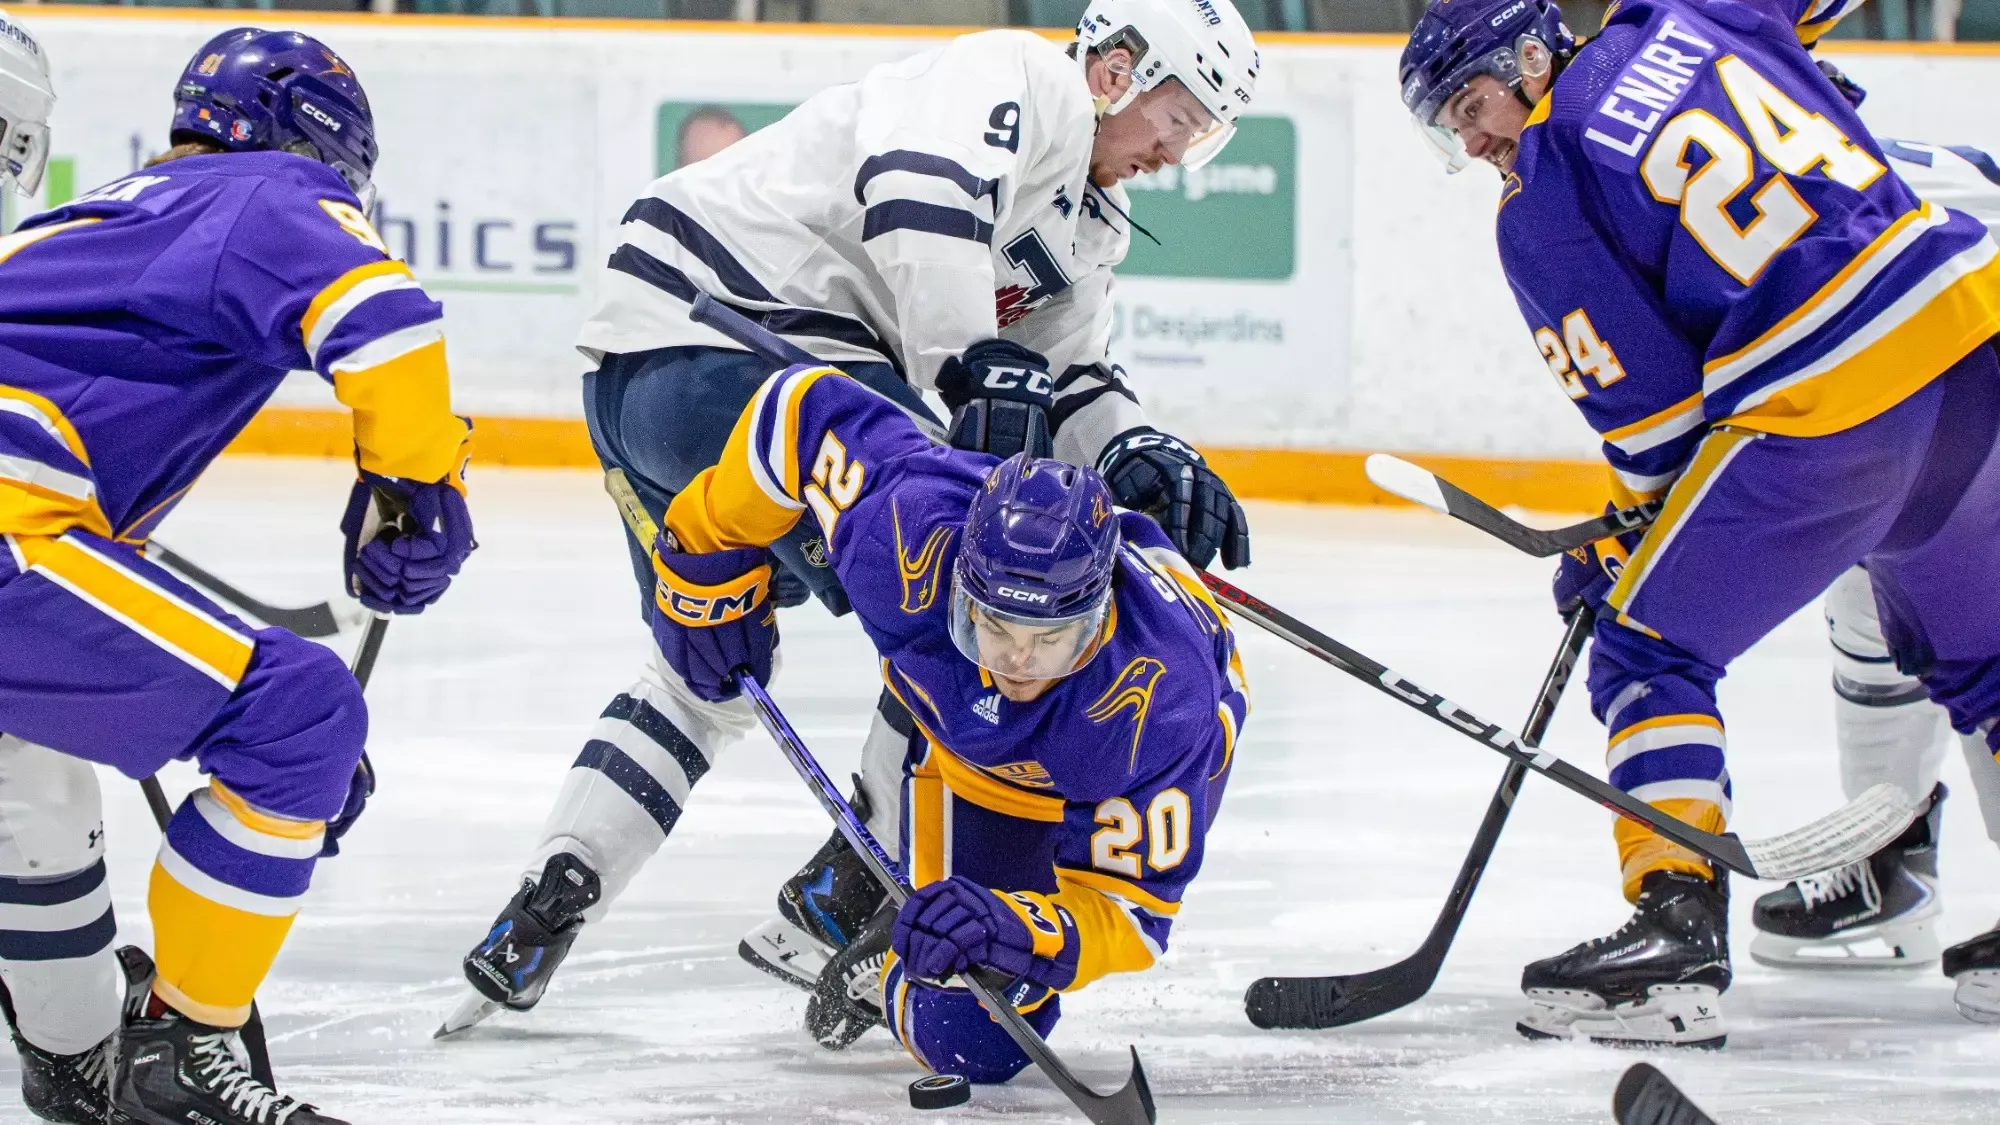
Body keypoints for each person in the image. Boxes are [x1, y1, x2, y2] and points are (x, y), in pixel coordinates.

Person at [446, 0, 1259, 1038]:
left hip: (651, 396)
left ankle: (549, 896)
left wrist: (1133, 446)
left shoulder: (1086, 223)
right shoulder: (1021, 80)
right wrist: (973, 362)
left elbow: (1068, 374)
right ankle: (848, 895)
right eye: (1179, 120)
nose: (1174, 154)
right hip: (734, 345)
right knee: (972, 594)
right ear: (1117, 69)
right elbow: (922, 204)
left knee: (710, 665)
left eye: (1200, 136)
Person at [1398, 0, 2000, 1048]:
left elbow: (1660, 426)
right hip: (1967, 350)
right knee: (1986, 666)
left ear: (1528, 57)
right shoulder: (1691, 10)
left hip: (1832, 407)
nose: (1471, 140)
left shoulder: (1543, 189)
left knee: (1644, 648)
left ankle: (1671, 932)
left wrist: (1633, 542)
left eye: (1468, 103)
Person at [0, 27, 474, 1124]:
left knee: (32, 780)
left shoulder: (90, 222)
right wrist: (416, 492)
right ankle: (181, 1057)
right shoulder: (268, 192)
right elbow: (385, 324)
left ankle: (80, 1056)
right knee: (298, 713)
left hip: (30, 533)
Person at [635, 358, 1242, 1075]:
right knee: (967, 1040)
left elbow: (1132, 913)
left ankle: (890, 939)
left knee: (989, 1011)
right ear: (959, 586)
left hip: (1084, 779)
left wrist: (1014, 925)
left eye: (1053, 639)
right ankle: (902, 919)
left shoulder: (1162, 702)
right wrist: (703, 548)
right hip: (965, 763)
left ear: (1099, 616)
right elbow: (799, 410)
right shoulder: (905, 528)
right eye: (996, 626)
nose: (1018, 661)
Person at [1744, 122, 2000, 1018]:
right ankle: (1891, 865)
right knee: (1876, 594)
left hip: (1971, 361)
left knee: (1976, 617)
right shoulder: (1780, 152)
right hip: (1938, 372)